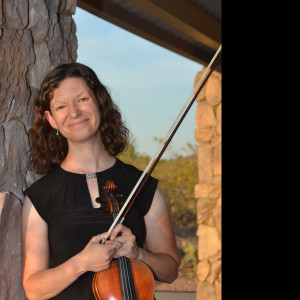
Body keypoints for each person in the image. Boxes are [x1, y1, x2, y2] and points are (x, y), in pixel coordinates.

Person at [21, 62, 180, 300]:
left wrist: (139, 254)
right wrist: (81, 263)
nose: (74, 113)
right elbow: (33, 289)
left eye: (82, 99)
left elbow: (170, 271)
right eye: (61, 106)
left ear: (100, 102)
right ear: (51, 119)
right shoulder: (40, 197)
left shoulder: (142, 186)